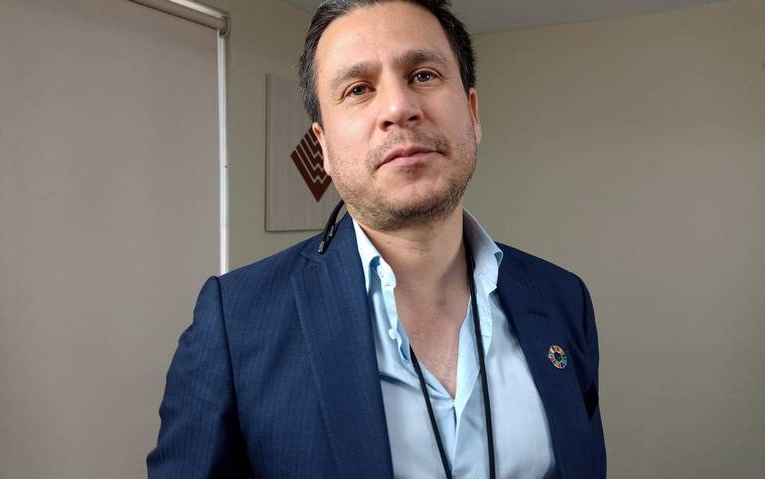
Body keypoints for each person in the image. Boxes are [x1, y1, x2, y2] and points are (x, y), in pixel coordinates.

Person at [146, 1, 605, 477]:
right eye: (359, 89)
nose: (399, 108)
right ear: (323, 147)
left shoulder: (562, 299)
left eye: (423, 75)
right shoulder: (236, 321)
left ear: (472, 113)